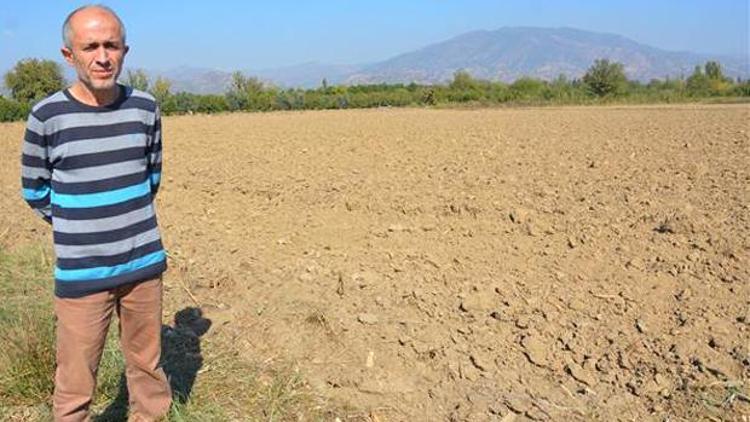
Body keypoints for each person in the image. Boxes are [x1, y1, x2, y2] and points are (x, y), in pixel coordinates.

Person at [20, 5, 171, 421]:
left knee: (148, 370)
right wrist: (78, 222)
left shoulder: (145, 107)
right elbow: (35, 190)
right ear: (69, 55)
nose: (102, 56)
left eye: (111, 45)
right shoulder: (47, 117)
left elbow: (150, 176)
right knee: (75, 383)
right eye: (90, 46)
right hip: (82, 275)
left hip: (143, 267)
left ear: (125, 50)